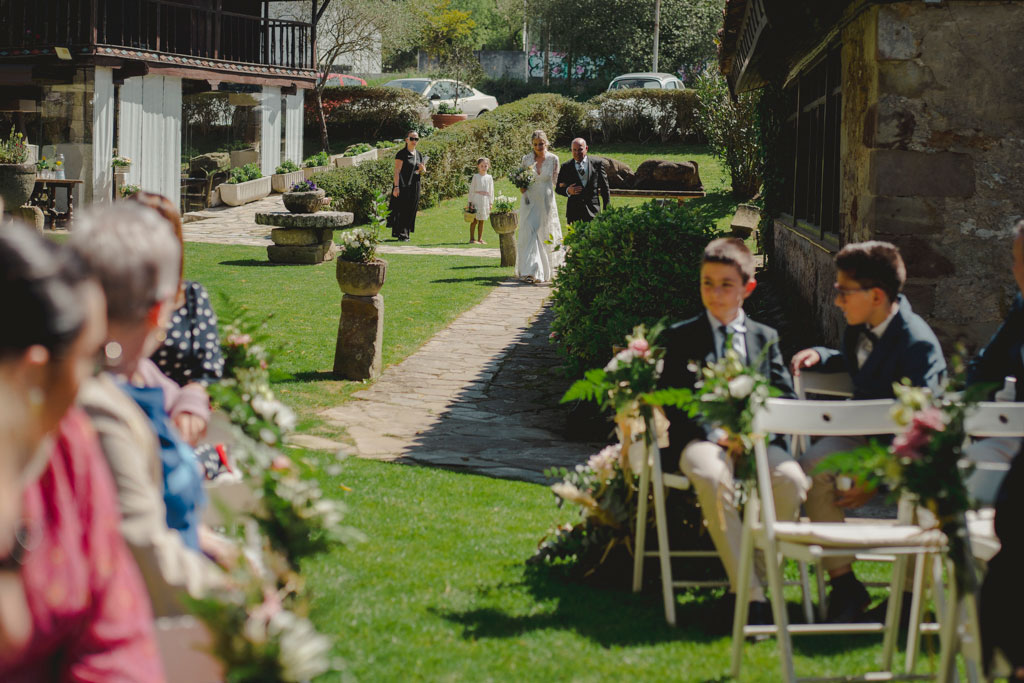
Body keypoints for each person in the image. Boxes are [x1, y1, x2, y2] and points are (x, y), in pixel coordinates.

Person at [0, 222, 164, 681]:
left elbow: (117, 631)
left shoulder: (69, 447)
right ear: (33, 374)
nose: (97, 379)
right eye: (91, 358)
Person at [70, 203, 227, 617]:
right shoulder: (97, 408)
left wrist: (204, 539)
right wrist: (240, 593)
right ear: (159, 310)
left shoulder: (133, 370)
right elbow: (145, 555)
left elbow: (171, 389)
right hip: (150, 617)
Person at [790, 240, 946, 623]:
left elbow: (925, 426)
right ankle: (845, 585)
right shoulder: (859, 327)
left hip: (913, 451)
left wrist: (877, 476)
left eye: (843, 291)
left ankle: (908, 600)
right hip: (862, 436)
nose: (837, 300)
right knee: (809, 467)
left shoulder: (919, 344)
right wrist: (822, 356)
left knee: (928, 489)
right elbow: (859, 361)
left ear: (876, 295)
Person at [659, 237, 809, 629]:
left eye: (726, 284)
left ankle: (747, 586)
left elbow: (784, 396)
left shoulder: (765, 338)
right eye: (707, 282)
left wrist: (752, 431)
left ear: (748, 288)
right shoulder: (682, 335)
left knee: (791, 480)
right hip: (702, 441)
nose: (715, 292)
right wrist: (716, 432)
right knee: (712, 477)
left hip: (759, 441)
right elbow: (674, 402)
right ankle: (756, 598)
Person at [133, 192, 225, 392]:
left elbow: (209, 368)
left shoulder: (191, 296)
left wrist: (190, 402)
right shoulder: (102, 296)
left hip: (183, 412)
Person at [963, 220, 1024, 500]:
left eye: (1019, 261)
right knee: (958, 473)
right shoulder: (1022, 305)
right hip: (1015, 435)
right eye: (1016, 260)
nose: (1015, 270)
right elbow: (988, 365)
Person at [516, 129, 564, 284]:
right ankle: (531, 270)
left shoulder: (554, 159)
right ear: (532, 145)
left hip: (546, 200)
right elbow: (522, 179)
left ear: (546, 143)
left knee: (542, 232)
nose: (539, 147)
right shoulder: (526, 159)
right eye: (536, 144)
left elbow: (557, 182)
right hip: (529, 200)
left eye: (541, 144)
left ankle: (544, 269)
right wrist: (521, 187)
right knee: (530, 232)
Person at [555, 137, 610, 226]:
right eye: (574, 150)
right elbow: (558, 188)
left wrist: (607, 210)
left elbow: (605, 188)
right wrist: (568, 190)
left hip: (593, 211)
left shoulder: (597, 164)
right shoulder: (566, 167)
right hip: (574, 212)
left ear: (586, 149)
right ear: (571, 150)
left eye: (580, 150)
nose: (577, 153)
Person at [390, 130, 426, 242]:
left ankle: (406, 232)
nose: (414, 141)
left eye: (416, 139)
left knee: (411, 209)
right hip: (403, 185)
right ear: (406, 140)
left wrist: (423, 170)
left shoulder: (419, 154)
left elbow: (421, 172)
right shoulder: (401, 154)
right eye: (412, 138)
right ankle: (402, 233)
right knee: (402, 209)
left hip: (415, 185)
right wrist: (396, 187)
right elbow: (397, 171)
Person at [467, 157, 493, 244]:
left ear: (488, 166)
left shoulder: (489, 177)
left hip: (485, 201)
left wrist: (490, 202)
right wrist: (470, 202)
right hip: (476, 199)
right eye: (482, 166)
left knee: (482, 220)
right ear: (478, 166)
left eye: (485, 166)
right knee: (474, 220)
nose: (484, 167)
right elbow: (472, 189)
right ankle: (472, 238)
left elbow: (491, 191)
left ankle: (480, 239)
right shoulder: (476, 177)